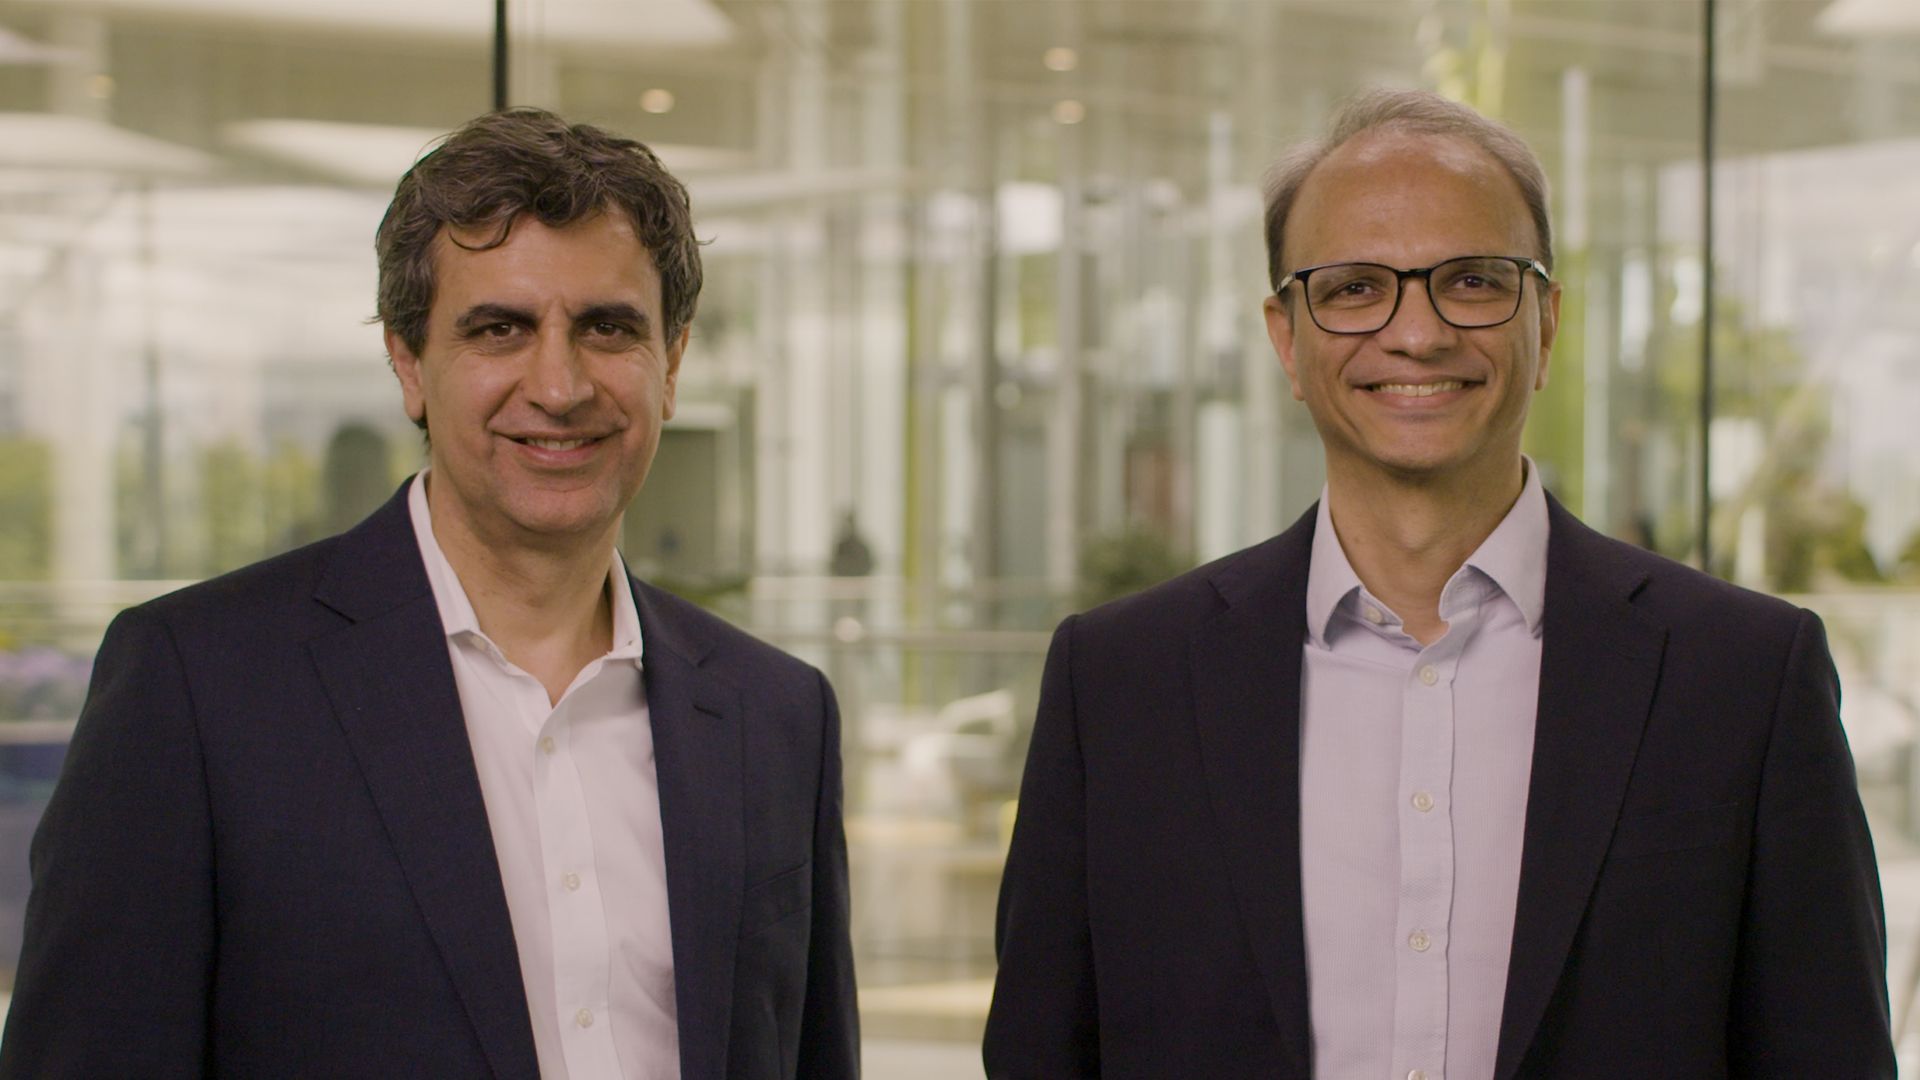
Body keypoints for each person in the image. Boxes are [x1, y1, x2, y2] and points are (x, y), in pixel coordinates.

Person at [984, 88, 1892, 1079]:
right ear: (1286, 337)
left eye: (1471, 281)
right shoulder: (1121, 684)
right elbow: (1042, 1053)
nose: (1416, 334)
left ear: (1546, 320)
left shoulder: (1744, 680)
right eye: (1354, 288)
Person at [0, 109, 858, 1080]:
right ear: (409, 363)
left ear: (673, 363)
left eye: (607, 328)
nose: (560, 383)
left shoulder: (777, 716)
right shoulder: (198, 690)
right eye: (500, 328)